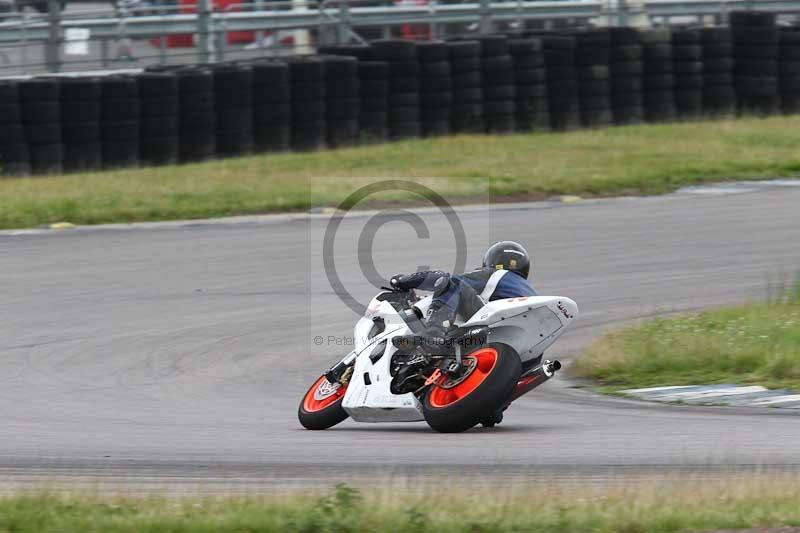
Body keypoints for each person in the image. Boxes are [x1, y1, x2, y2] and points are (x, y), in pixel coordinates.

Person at [389, 241, 537, 337]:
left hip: (492, 327)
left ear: (492, 260)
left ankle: (435, 331)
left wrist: (403, 281)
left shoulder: (496, 274)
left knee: (450, 282)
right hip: (524, 340)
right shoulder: (531, 293)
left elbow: (449, 283)